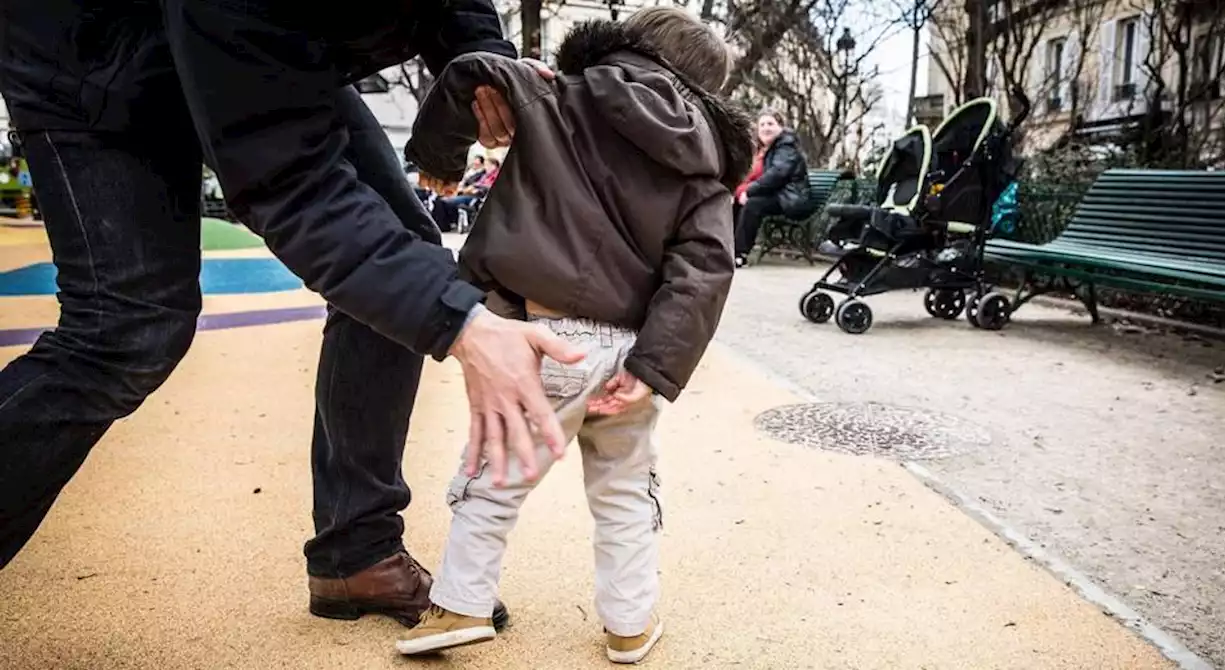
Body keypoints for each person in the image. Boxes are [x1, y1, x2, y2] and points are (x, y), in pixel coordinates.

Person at [0, 0, 581, 633]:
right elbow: (288, 180)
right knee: (126, 323)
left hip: (255, 51)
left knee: (401, 247)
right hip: (88, 52)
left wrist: (481, 64)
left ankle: (356, 552)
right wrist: (463, 324)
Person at [396, 8, 754, 663]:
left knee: (494, 474)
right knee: (625, 490)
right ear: (707, 89)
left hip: (537, 337)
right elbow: (703, 271)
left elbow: (470, 69)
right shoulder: (704, 166)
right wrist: (654, 368)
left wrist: (439, 156)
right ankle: (629, 624)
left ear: (628, 43)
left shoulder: (559, 94)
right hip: (626, 351)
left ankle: (459, 604)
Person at [732, 111, 812, 267]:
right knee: (736, 201)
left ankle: (740, 254)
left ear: (780, 127)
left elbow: (778, 174)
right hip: (778, 195)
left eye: (770, 124)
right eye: (762, 125)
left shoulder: (786, 146)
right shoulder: (769, 147)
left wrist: (749, 191)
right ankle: (728, 249)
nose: (766, 128)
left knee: (752, 204)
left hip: (791, 200)